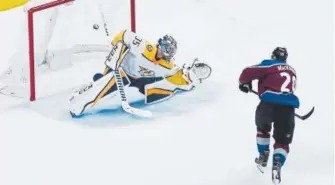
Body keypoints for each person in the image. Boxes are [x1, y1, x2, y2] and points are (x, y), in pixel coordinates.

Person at [68, 29, 212, 116]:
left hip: (140, 79)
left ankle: (98, 83)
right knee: (106, 82)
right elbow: (124, 35)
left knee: (167, 86)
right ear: (159, 44)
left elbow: (176, 76)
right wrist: (115, 47)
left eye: (167, 52)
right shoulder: (145, 47)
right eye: (162, 48)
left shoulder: (167, 65)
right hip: (123, 70)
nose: (162, 53)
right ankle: (79, 103)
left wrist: (190, 77)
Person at [238, 47, 299, 184]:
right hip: (288, 107)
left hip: (268, 103)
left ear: (273, 56)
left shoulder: (270, 64)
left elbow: (247, 73)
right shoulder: (292, 70)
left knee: (263, 129)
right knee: (283, 141)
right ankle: (277, 164)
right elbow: (290, 88)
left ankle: (263, 154)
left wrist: (244, 83)